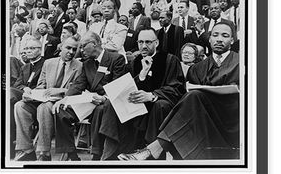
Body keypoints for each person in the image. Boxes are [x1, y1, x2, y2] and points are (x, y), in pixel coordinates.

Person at [118, 22, 239, 161]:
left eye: (225, 35)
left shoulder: (242, 63)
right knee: (192, 97)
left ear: (232, 40)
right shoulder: (198, 68)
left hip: (232, 118)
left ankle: (152, 150)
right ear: (209, 39)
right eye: (215, 35)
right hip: (204, 119)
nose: (219, 39)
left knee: (193, 97)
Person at [89, 28, 186, 160]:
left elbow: (177, 88)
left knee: (160, 105)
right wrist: (142, 75)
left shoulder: (170, 60)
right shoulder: (134, 62)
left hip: (158, 103)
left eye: (148, 42)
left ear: (156, 43)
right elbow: (128, 88)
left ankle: (149, 153)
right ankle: (111, 151)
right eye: (140, 42)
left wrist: (152, 95)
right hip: (137, 104)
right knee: (111, 104)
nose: (144, 46)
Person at [52, 31, 126, 161]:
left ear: (94, 44)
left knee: (101, 109)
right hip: (91, 101)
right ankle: (71, 154)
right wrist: (65, 99)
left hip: (108, 102)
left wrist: (104, 98)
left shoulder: (116, 59)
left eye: (83, 46)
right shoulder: (87, 63)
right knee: (61, 110)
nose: (80, 50)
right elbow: (79, 84)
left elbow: (119, 85)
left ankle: (97, 154)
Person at [13, 36, 82, 161]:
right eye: (68, 48)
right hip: (44, 100)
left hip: (61, 102)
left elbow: (79, 89)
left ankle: (44, 151)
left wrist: (61, 90)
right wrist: (32, 94)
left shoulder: (79, 66)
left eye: (74, 49)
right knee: (20, 106)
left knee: (44, 108)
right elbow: (41, 85)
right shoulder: (49, 63)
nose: (71, 52)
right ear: (61, 47)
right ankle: (26, 149)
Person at [10, 38, 45, 159]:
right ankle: (24, 147)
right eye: (26, 49)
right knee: (11, 99)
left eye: (32, 48)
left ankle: (15, 141)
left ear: (40, 50)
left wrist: (33, 92)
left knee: (14, 100)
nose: (28, 51)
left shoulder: (46, 64)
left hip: (40, 100)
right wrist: (25, 88)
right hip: (25, 97)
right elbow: (17, 84)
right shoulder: (25, 67)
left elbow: (46, 84)